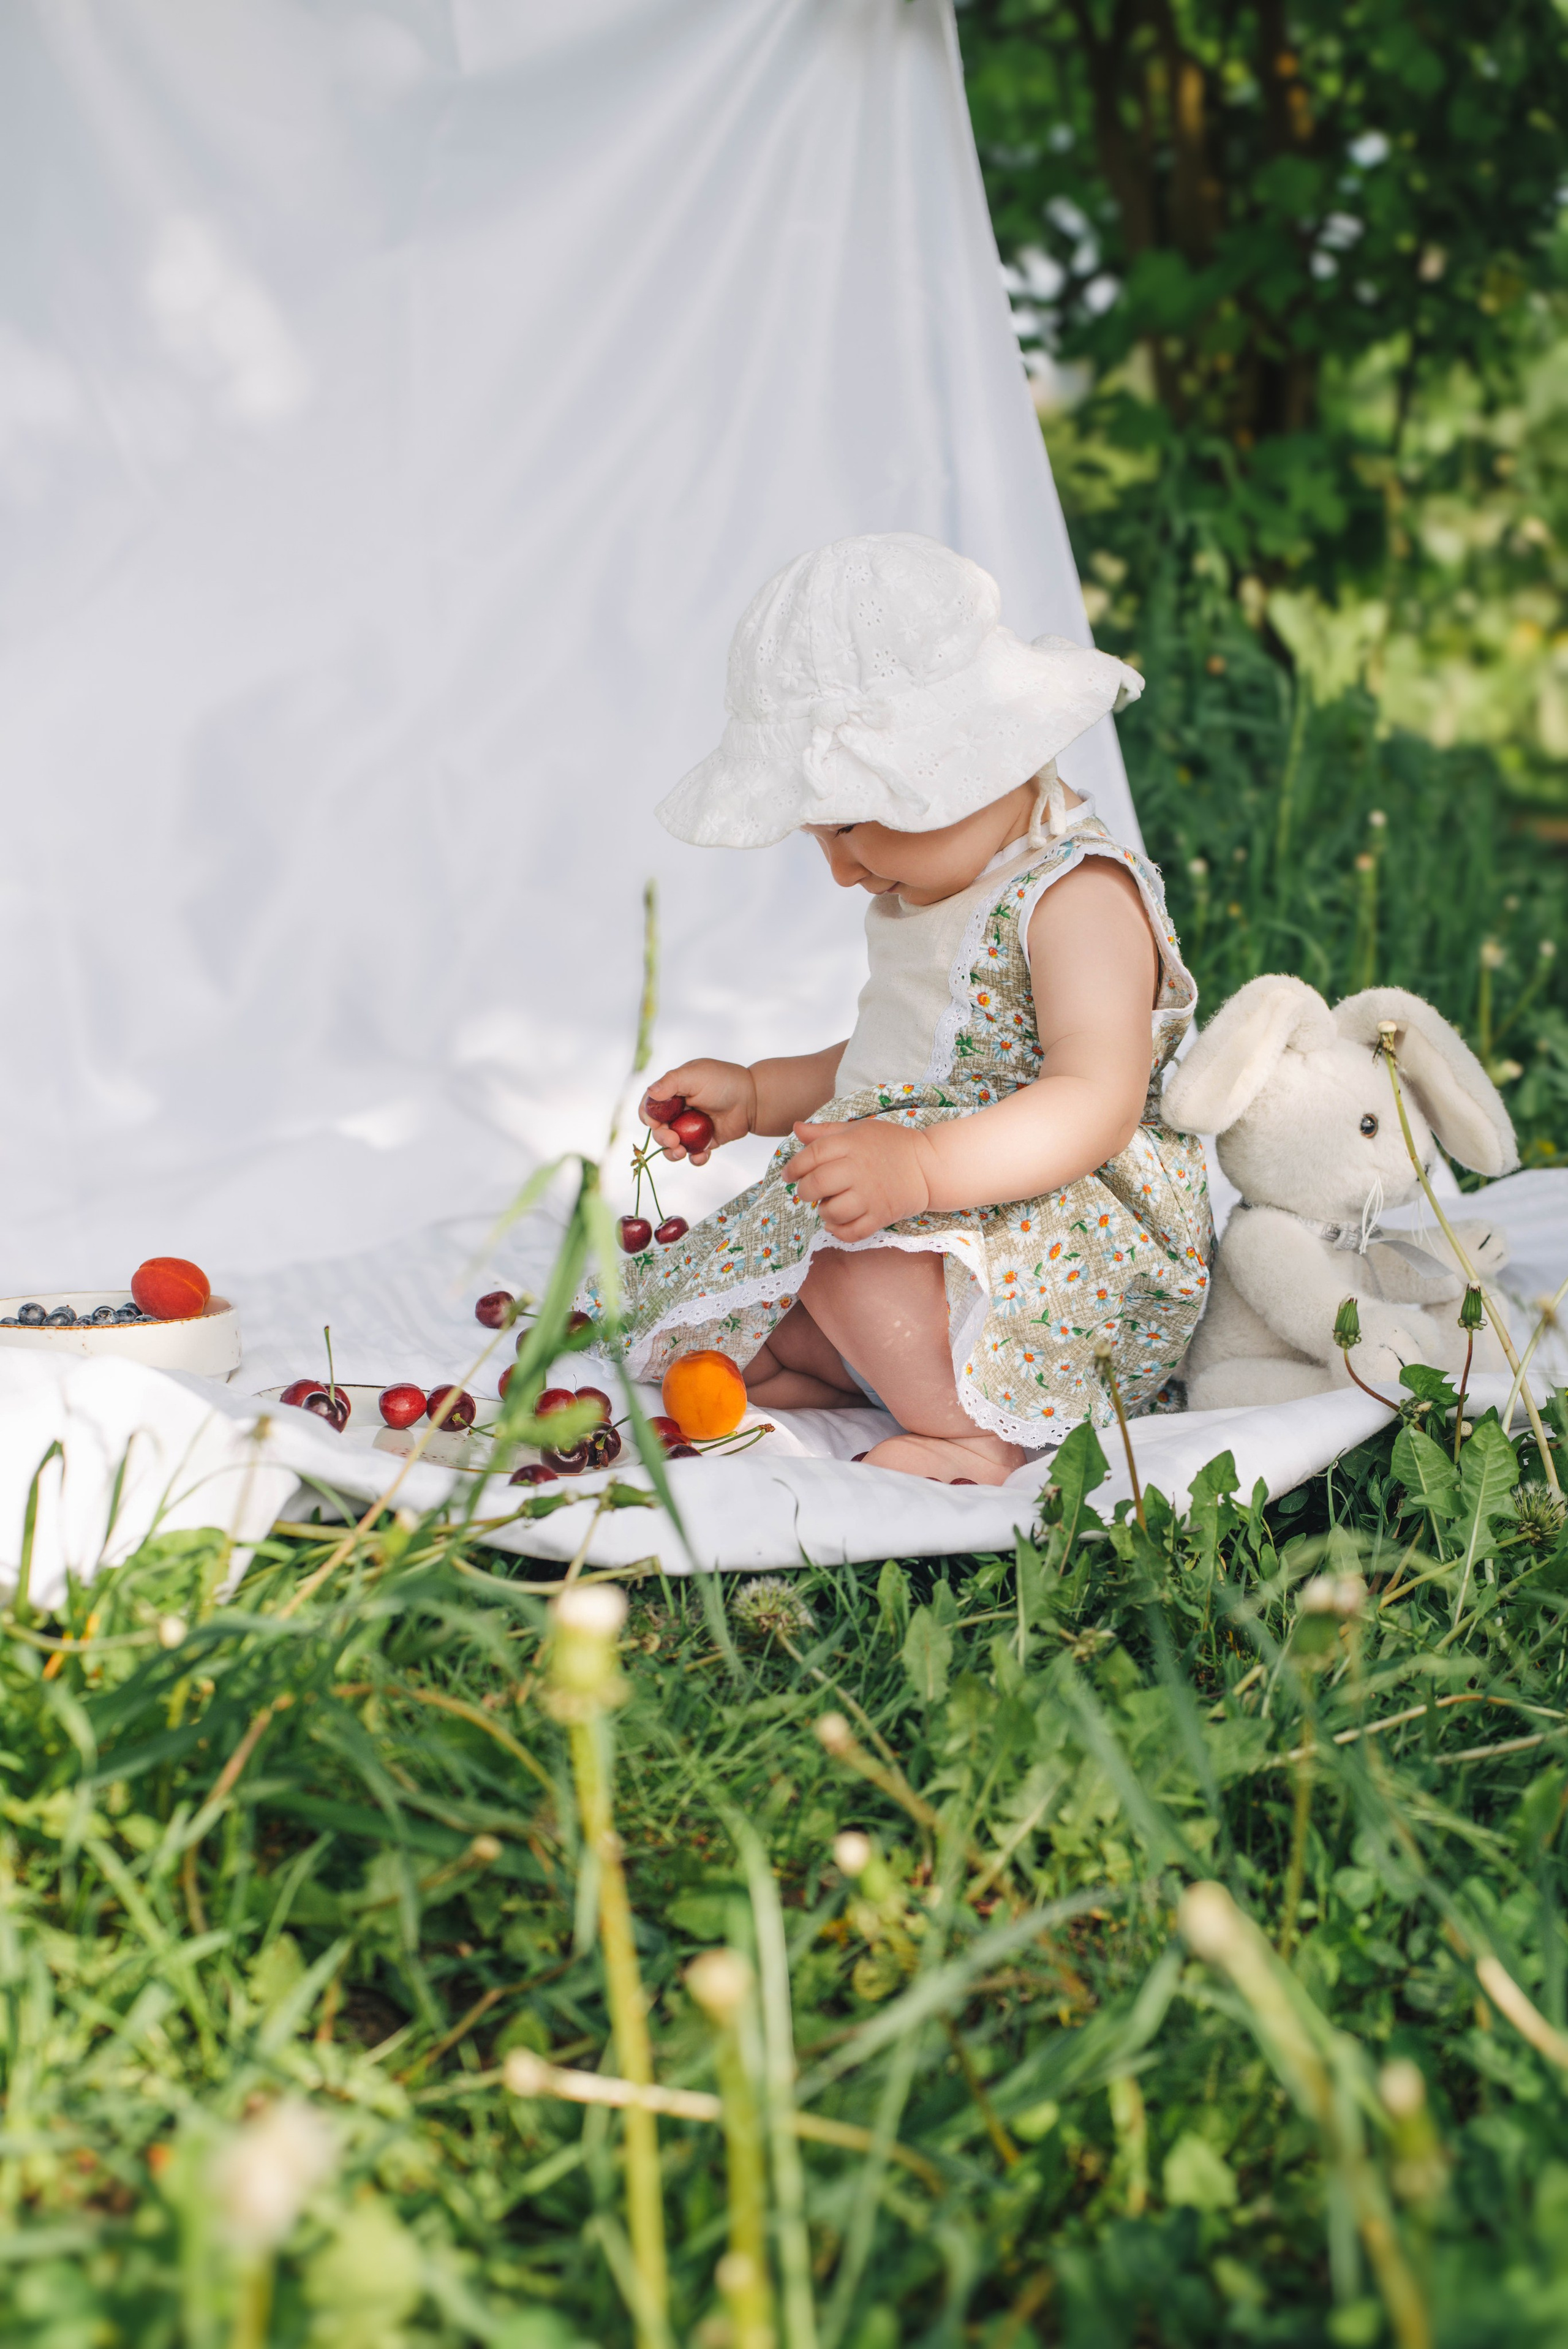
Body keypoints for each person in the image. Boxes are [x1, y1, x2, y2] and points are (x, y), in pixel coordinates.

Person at [589, 533, 1212, 1484]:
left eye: (849, 825)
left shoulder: (1078, 896)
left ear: (968, 764)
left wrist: (922, 1166)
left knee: (858, 1256)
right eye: (819, 838)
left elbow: (1097, 1098)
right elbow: (905, 1059)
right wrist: (760, 1095)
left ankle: (983, 1432)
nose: (841, 870)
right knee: (790, 1250)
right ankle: (834, 1363)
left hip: (1058, 1242)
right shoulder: (928, 891)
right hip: (935, 1201)